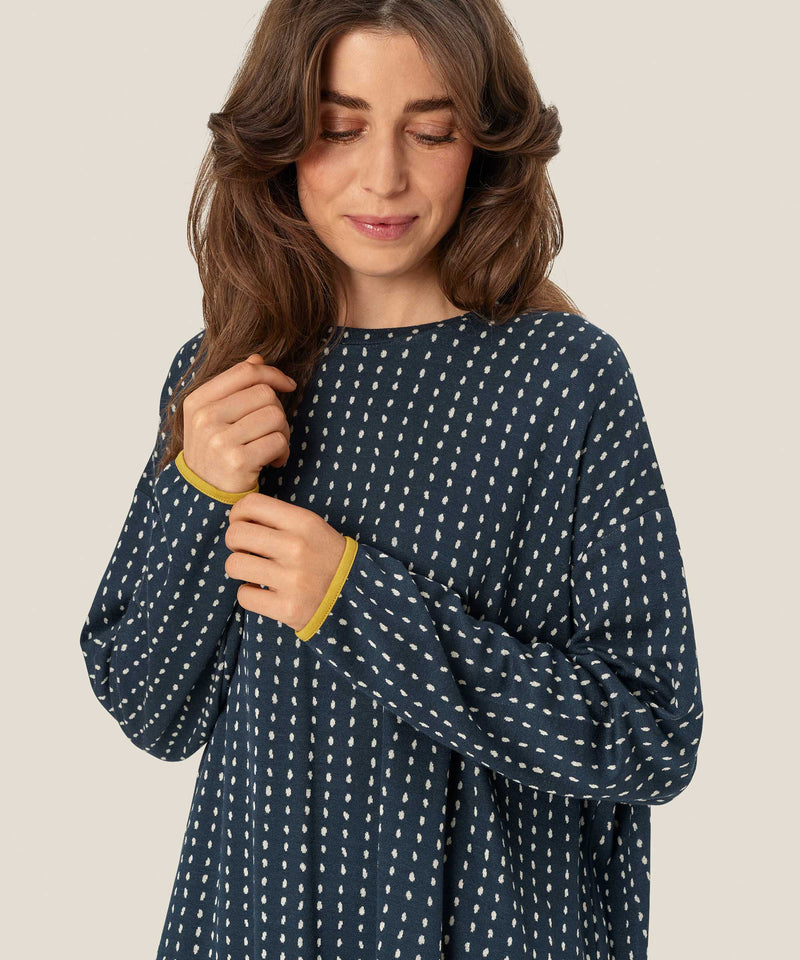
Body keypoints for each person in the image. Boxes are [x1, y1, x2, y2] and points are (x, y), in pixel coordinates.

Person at [79, 1, 704, 958]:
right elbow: (149, 711)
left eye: (431, 131)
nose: (384, 176)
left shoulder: (565, 379)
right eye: (339, 129)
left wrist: (351, 597)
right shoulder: (223, 380)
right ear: (280, 139)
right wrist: (197, 491)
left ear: (483, 142)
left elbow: (649, 737)